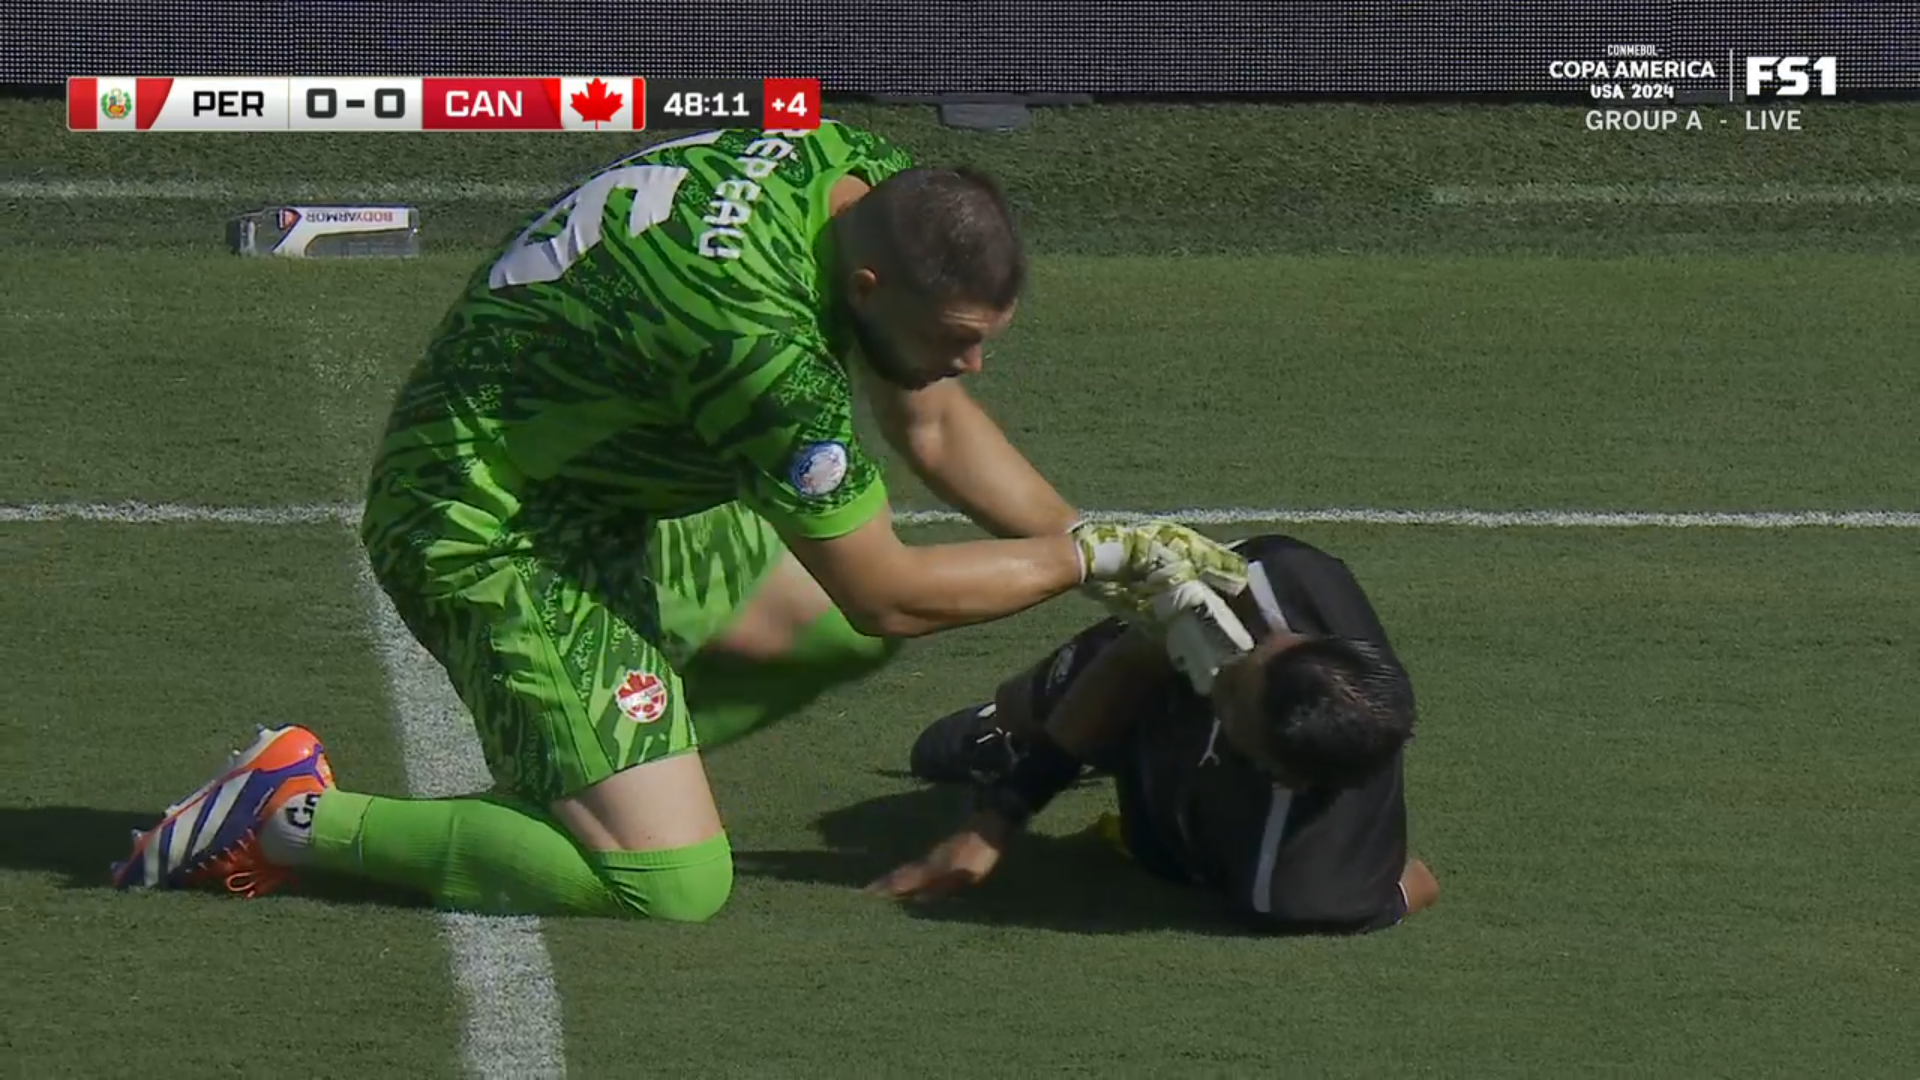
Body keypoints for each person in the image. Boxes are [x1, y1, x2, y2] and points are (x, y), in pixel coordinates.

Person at [112, 120, 1245, 920]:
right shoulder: (759, 343)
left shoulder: (853, 175)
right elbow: (889, 596)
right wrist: (1093, 556)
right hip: (489, 526)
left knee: (815, 633)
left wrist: (1113, 567)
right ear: (869, 290)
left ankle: (591, 755)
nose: (973, 363)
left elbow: (935, 423)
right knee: (668, 882)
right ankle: (285, 814)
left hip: (611, 481)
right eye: (957, 337)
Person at [873, 533, 1440, 934]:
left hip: (1176, 834)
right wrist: (999, 817)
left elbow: (1416, 885)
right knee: (1026, 700)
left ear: (1284, 772)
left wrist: (1366, 867)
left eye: (1232, 699)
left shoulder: (1308, 888)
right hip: (1169, 694)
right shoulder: (1279, 591)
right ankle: (1009, 737)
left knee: (1153, 843)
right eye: (1254, 660)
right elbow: (1135, 658)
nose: (1222, 673)